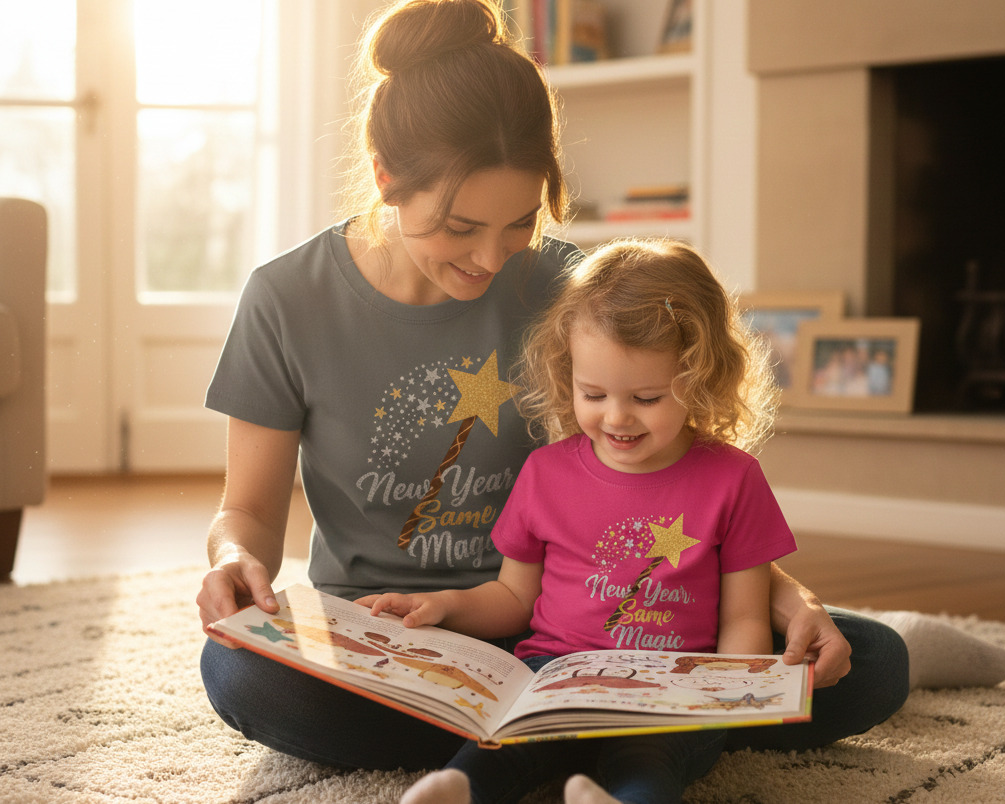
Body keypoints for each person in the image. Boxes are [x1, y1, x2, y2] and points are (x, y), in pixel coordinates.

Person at [195, 0, 917, 778]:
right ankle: (594, 742)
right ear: (385, 177)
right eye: (460, 226)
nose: (491, 259)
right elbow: (251, 511)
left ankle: (519, 748)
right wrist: (234, 560)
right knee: (240, 673)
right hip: (390, 638)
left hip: (585, 627)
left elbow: (686, 491)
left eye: (520, 224)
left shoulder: (574, 291)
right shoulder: (286, 300)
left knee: (871, 661)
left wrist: (793, 605)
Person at [359, 237, 798, 803]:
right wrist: (445, 606)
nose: (616, 417)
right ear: (567, 372)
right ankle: (459, 794)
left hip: (668, 695)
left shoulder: (733, 479)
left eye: (646, 397)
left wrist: (728, 697)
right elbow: (514, 600)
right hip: (554, 679)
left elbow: (743, 619)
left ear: (701, 376)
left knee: (650, 763)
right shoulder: (545, 472)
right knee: (501, 743)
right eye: (593, 393)